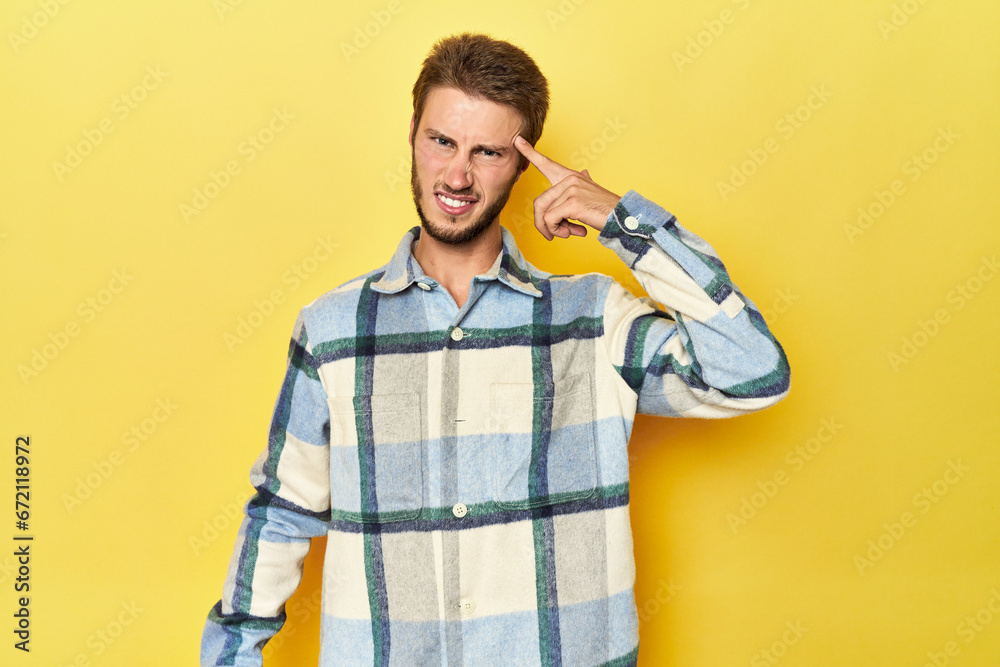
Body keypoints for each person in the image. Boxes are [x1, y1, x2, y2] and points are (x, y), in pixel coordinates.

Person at [201, 32, 790, 666]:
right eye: (442, 141)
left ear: (520, 164)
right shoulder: (334, 329)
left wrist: (623, 219)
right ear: (412, 134)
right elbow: (281, 514)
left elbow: (751, 372)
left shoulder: (593, 319)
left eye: (487, 152)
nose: (457, 175)